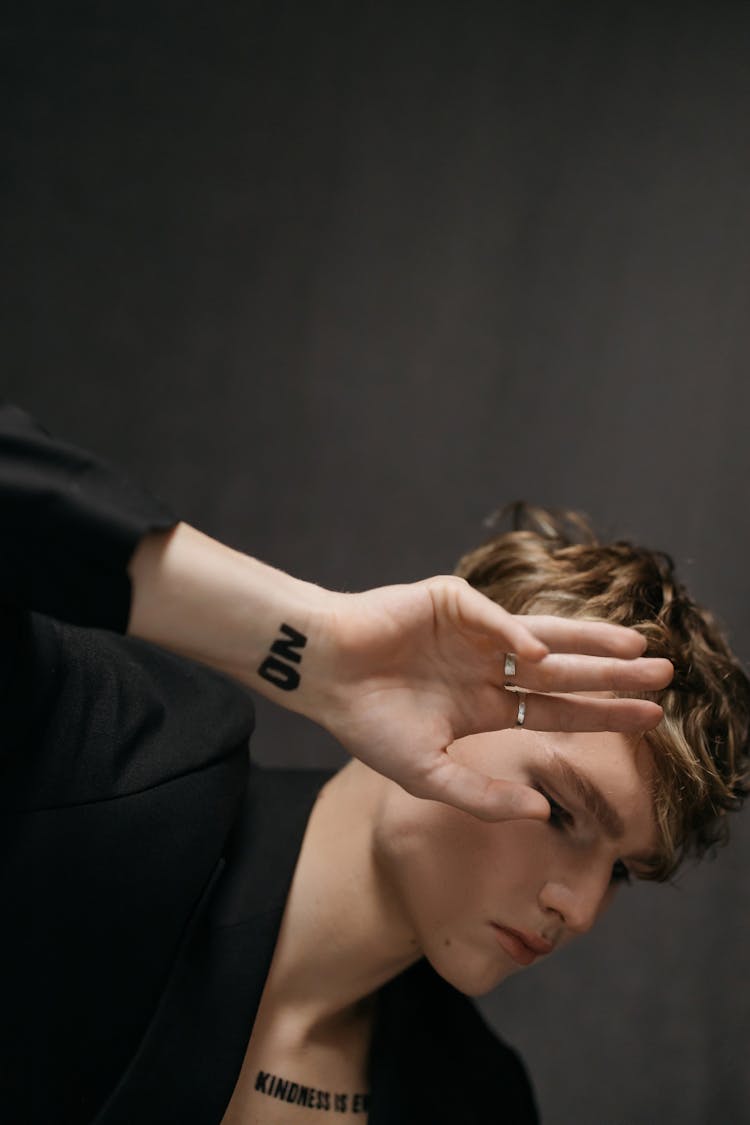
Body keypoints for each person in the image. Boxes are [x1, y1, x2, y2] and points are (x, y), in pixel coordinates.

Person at [0, 404, 724, 1125]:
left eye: (623, 869)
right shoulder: (113, 769)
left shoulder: (479, 1101)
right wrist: (307, 641)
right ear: (448, 697)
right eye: (561, 808)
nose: (584, 906)